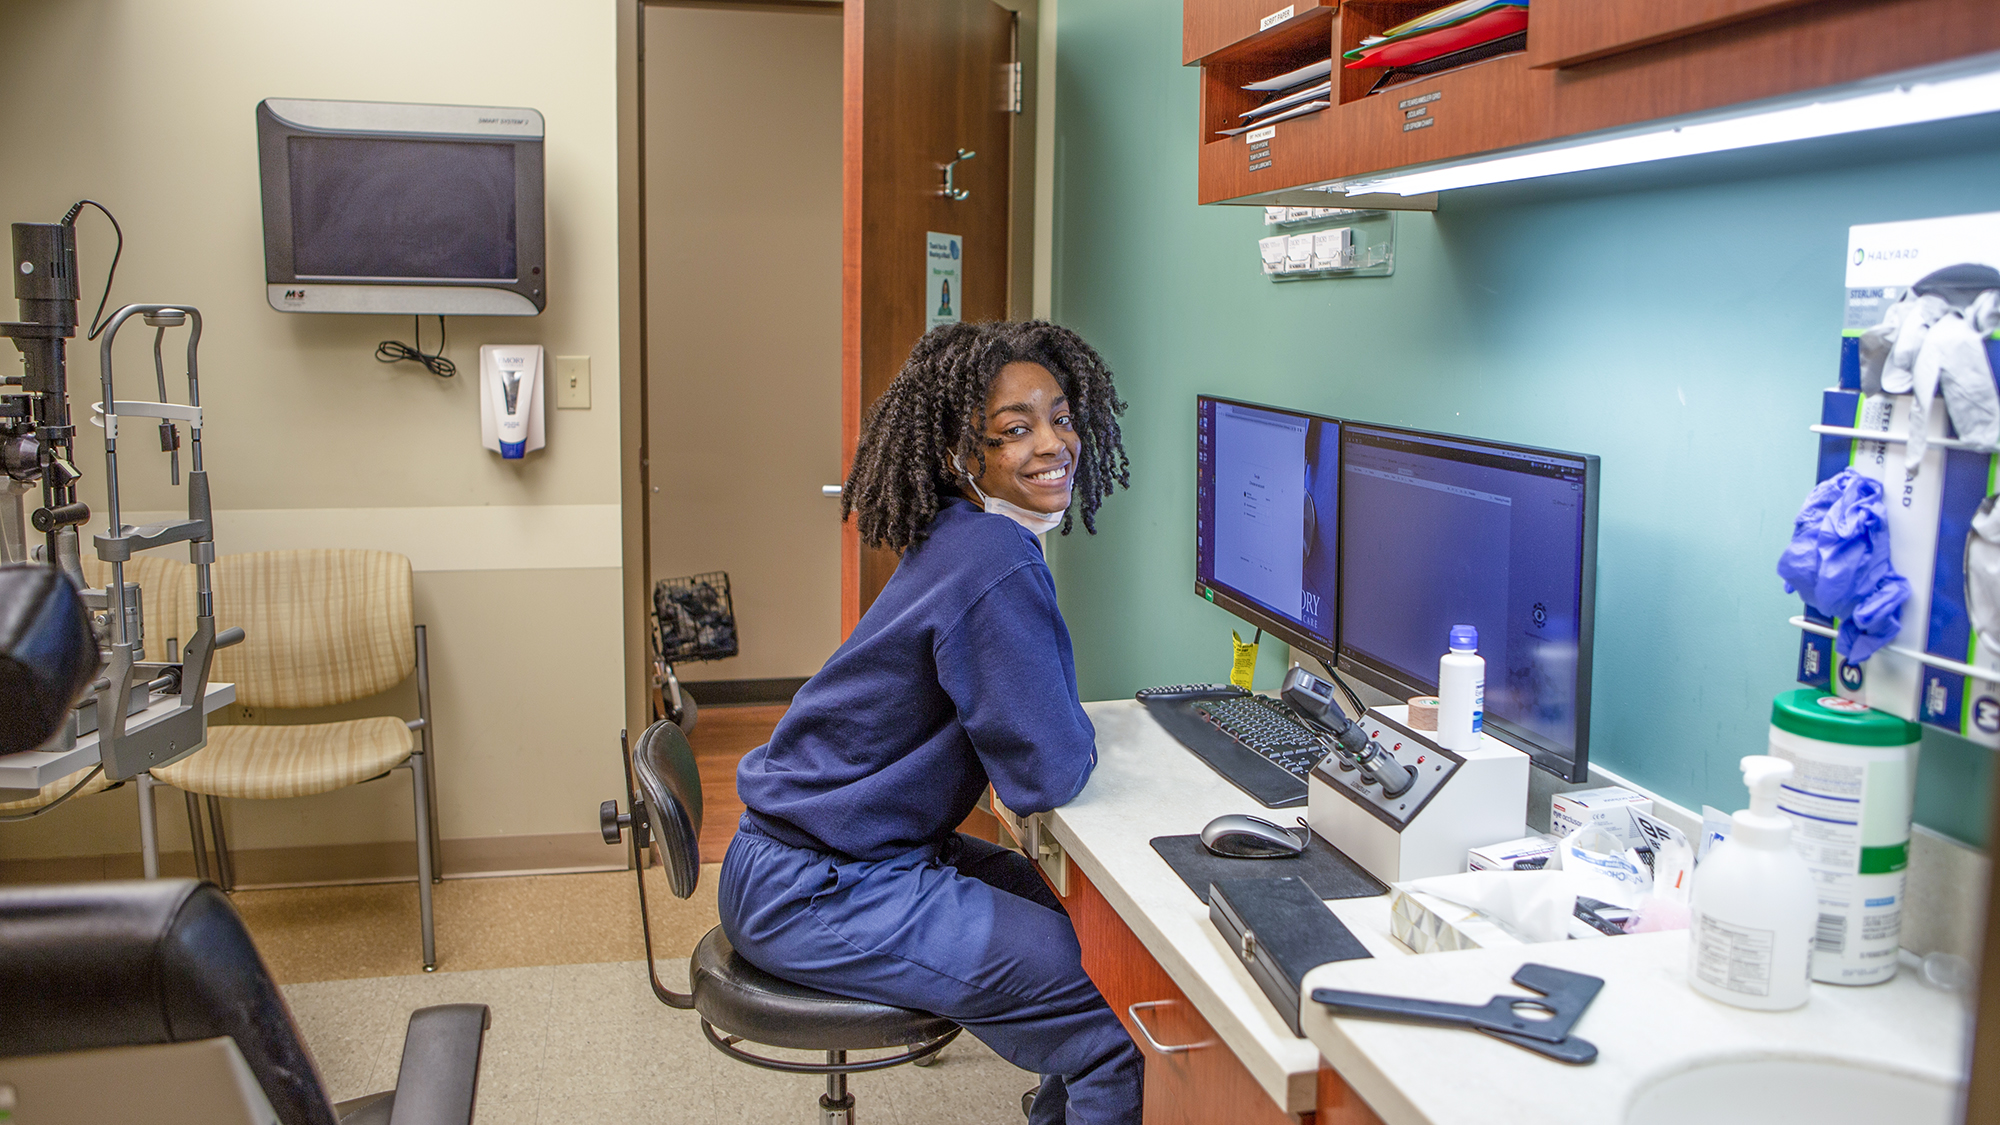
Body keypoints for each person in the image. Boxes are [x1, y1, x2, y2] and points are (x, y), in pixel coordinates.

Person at [718, 320, 1140, 1125]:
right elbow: (1046, 772)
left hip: (833, 853)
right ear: (961, 453)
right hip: (817, 886)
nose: (1053, 443)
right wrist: (1073, 729)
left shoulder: (965, 534)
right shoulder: (994, 558)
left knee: (1080, 919)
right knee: (1118, 1006)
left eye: (1062, 417)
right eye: (1016, 429)